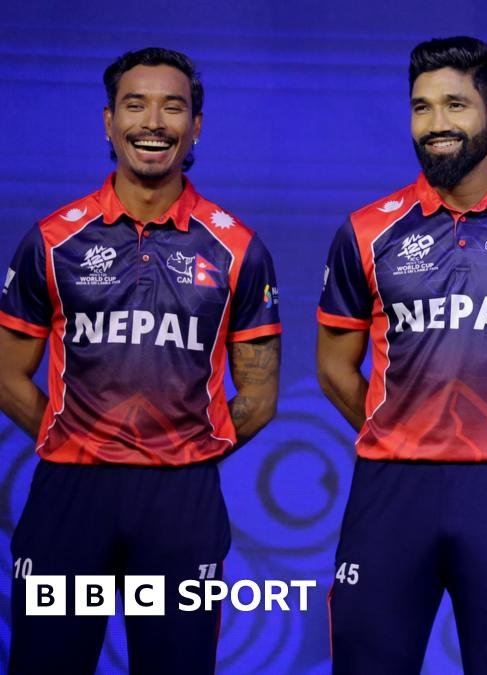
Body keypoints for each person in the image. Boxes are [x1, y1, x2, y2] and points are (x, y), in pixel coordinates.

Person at [317, 35, 487, 674]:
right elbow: (334, 365)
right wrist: (398, 430)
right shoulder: (367, 229)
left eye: (454, 105)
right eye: (421, 108)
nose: (436, 123)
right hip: (392, 488)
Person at [0, 47, 281, 674]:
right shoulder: (53, 239)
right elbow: (5, 371)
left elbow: (260, 397)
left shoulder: (237, 248)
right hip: (71, 495)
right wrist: (73, 440)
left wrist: (181, 452)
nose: (153, 122)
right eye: (135, 105)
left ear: (196, 126)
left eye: (172, 107)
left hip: (181, 501)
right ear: (109, 121)